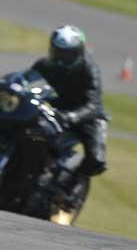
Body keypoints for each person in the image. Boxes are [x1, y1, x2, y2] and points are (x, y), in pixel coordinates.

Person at [30, 25, 108, 189]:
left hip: (86, 117)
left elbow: (93, 104)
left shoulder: (89, 69)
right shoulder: (44, 65)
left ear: (78, 52)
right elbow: (26, 82)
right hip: (54, 111)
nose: (61, 58)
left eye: (67, 54)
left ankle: (72, 185)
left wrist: (71, 116)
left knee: (97, 160)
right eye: (58, 51)